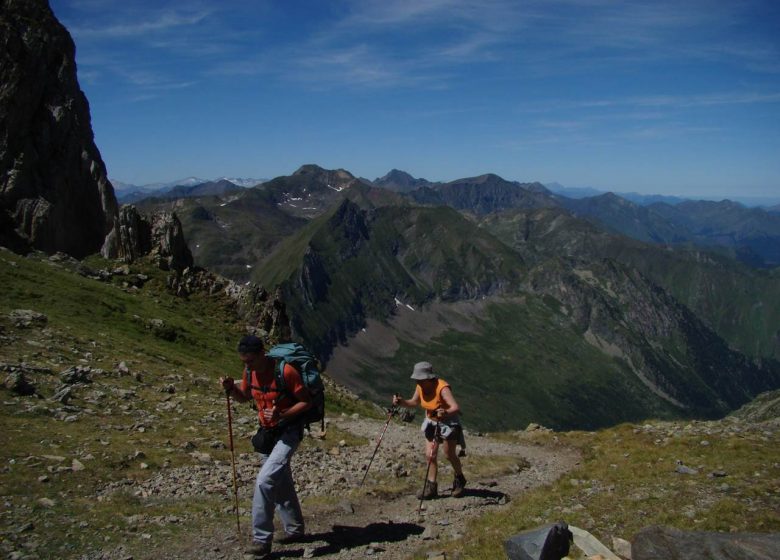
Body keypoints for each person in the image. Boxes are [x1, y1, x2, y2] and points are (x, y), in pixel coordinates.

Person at [220, 335, 312, 559]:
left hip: (289, 431)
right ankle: (295, 529)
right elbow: (244, 397)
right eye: (243, 361)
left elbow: (306, 401)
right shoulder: (250, 372)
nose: (246, 365)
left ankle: (261, 540)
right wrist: (232, 389)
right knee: (280, 482)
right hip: (267, 433)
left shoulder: (286, 371)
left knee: (265, 480)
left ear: (262, 353)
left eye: (250, 360)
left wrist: (282, 414)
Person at [392, 361, 467, 499]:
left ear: (429, 378)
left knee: (449, 454)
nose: (418, 381)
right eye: (416, 379)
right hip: (432, 422)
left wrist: (445, 412)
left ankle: (460, 478)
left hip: (448, 423)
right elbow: (414, 402)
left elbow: (455, 407)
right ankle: (431, 487)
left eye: (420, 379)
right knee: (430, 455)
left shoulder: (442, 387)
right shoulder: (420, 387)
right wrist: (401, 402)